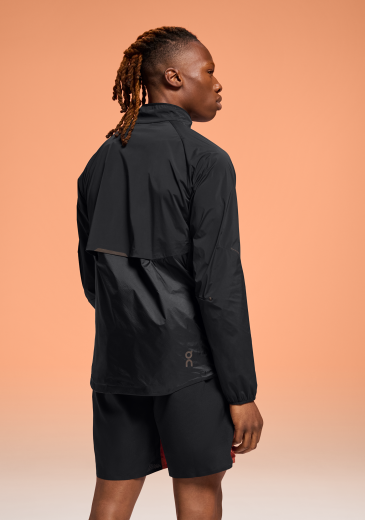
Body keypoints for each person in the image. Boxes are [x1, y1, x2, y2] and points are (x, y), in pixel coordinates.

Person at [76, 26, 263, 520]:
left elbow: (93, 279)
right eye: (210, 71)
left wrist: (132, 320)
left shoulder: (99, 161)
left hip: (117, 362)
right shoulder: (206, 160)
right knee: (199, 489)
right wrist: (241, 393)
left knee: (112, 495)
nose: (218, 83)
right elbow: (219, 286)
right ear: (175, 77)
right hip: (189, 366)